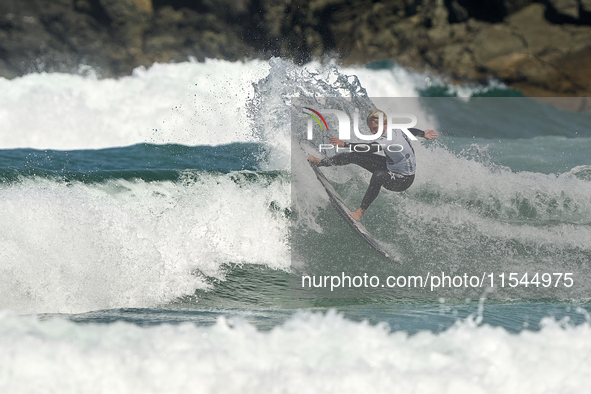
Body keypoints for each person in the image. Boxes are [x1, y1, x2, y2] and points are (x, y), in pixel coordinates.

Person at [308, 109, 438, 221]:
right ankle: (321, 162)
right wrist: (423, 133)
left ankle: (360, 212)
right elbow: (410, 131)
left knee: (378, 176)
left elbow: (371, 148)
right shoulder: (396, 129)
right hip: (391, 166)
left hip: (402, 180)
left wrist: (346, 144)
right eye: (371, 129)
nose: (373, 132)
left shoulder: (389, 137)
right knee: (353, 155)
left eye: (375, 128)